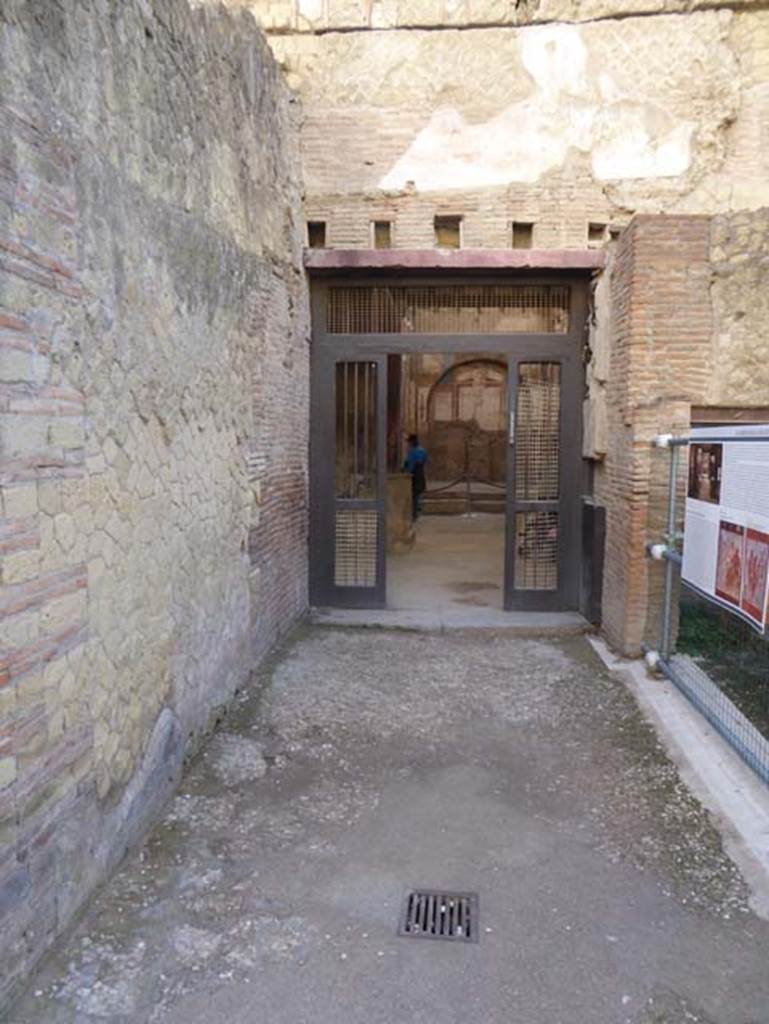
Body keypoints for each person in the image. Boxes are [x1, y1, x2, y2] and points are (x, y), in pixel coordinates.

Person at [403, 433, 428, 520]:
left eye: (409, 442)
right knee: (417, 495)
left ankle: (413, 514)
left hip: (414, 475)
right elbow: (425, 461)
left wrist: (405, 471)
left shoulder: (412, 451)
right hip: (421, 474)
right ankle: (417, 512)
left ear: (412, 442)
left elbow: (410, 465)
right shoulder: (422, 450)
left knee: (413, 495)